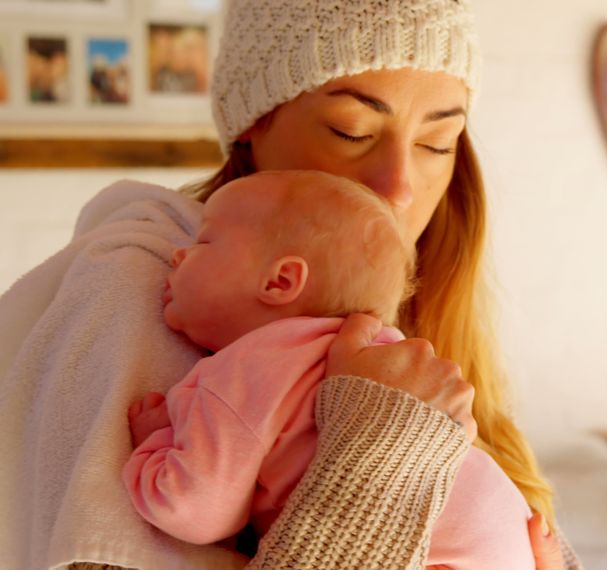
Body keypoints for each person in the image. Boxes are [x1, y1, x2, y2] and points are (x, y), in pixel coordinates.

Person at [0, 0, 578, 568]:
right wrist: (379, 455)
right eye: (351, 130)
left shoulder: (417, 328)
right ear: (254, 123)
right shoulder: (147, 296)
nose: (399, 186)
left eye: (437, 143)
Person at [122, 170, 535, 569]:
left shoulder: (249, 366)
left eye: (205, 241)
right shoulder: (381, 350)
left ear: (281, 281)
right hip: (506, 537)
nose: (178, 253)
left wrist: (158, 442)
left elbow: (192, 508)